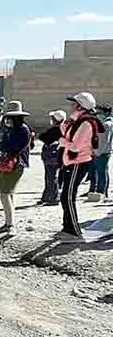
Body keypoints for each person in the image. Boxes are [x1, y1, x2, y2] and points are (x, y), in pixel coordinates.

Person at [58, 92, 101, 239]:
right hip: (71, 162)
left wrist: (63, 143)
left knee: (68, 197)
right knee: (65, 196)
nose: (71, 106)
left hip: (78, 162)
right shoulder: (78, 121)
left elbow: (75, 147)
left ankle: (74, 232)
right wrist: (66, 123)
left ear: (80, 106)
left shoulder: (86, 123)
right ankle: (67, 229)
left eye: (74, 103)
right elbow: (66, 133)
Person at [0, 101, 33, 233]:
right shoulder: (14, 129)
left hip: (16, 164)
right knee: (7, 192)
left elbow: (13, 146)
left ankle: (10, 224)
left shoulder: (22, 130)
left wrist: (1, 145)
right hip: (11, 163)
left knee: (5, 193)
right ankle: (9, 221)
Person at [38, 110, 66, 206]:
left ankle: (53, 198)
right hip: (53, 157)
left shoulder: (57, 129)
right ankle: (46, 196)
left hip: (53, 157)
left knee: (51, 177)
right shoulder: (63, 128)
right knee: (49, 177)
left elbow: (43, 137)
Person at [86, 103, 113, 202]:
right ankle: (100, 191)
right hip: (101, 151)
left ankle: (102, 192)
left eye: (100, 112)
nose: (97, 114)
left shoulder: (106, 124)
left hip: (102, 152)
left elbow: (104, 140)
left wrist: (97, 152)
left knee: (101, 173)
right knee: (100, 172)